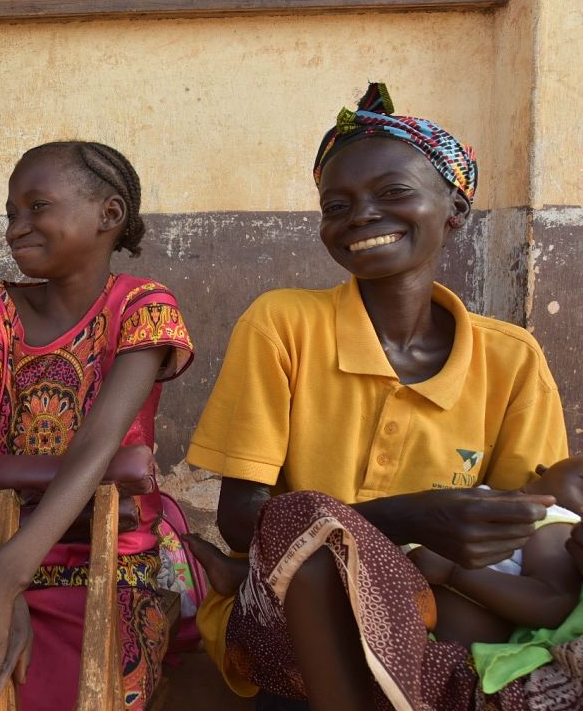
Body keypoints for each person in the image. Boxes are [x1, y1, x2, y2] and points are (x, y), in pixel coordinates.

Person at [184, 83, 570, 710]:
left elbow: (532, 531)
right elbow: (241, 521)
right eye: (337, 205)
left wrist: (468, 540)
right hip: (288, 618)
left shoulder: (511, 359)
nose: (361, 215)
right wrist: (417, 517)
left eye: (394, 193)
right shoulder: (282, 323)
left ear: (454, 208)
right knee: (300, 524)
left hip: (437, 623)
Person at [0, 141, 194, 709]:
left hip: (110, 549)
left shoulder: (143, 306)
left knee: (96, 690)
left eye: (37, 207)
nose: (15, 228)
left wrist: (7, 580)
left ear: (109, 214)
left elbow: (98, 446)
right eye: (11, 214)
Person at [187, 454, 583, 648]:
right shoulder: (501, 496)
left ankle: (246, 579)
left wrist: (455, 574)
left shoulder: (556, 522)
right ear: (549, 464)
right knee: (338, 545)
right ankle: (246, 579)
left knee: (341, 554)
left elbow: (551, 602)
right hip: (410, 587)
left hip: (450, 616)